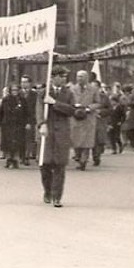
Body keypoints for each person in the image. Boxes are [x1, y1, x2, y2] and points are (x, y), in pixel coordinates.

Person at [37, 66, 76, 207]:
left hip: (62, 133)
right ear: (53, 77)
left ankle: (57, 196)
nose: (64, 79)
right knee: (45, 165)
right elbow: (39, 109)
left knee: (60, 165)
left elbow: (72, 110)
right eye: (61, 76)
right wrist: (41, 123)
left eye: (65, 76)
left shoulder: (69, 93)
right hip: (46, 132)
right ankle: (47, 191)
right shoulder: (43, 92)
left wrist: (55, 103)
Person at [69, 70, 98, 171]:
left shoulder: (93, 89)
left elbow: (98, 102)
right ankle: (78, 157)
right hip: (75, 118)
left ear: (86, 78)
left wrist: (89, 108)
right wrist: (73, 107)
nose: (79, 79)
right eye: (78, 76)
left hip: (88, 118)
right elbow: (68, 101)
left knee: (86, 141)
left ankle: (83, 161)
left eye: (81, 76)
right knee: (76, 140)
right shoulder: (72, 89)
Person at [0, 83, 26, 168]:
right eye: (13, 90)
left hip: (18, 124)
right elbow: (1, 112)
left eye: (16, 90)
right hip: (7, 124)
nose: (14, 92)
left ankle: (16, 159)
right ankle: (8, 159)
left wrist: (27, 122)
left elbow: (27, 113)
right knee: (7, 142)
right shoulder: (5, 100)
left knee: (17, 142)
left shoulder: (22, 100)